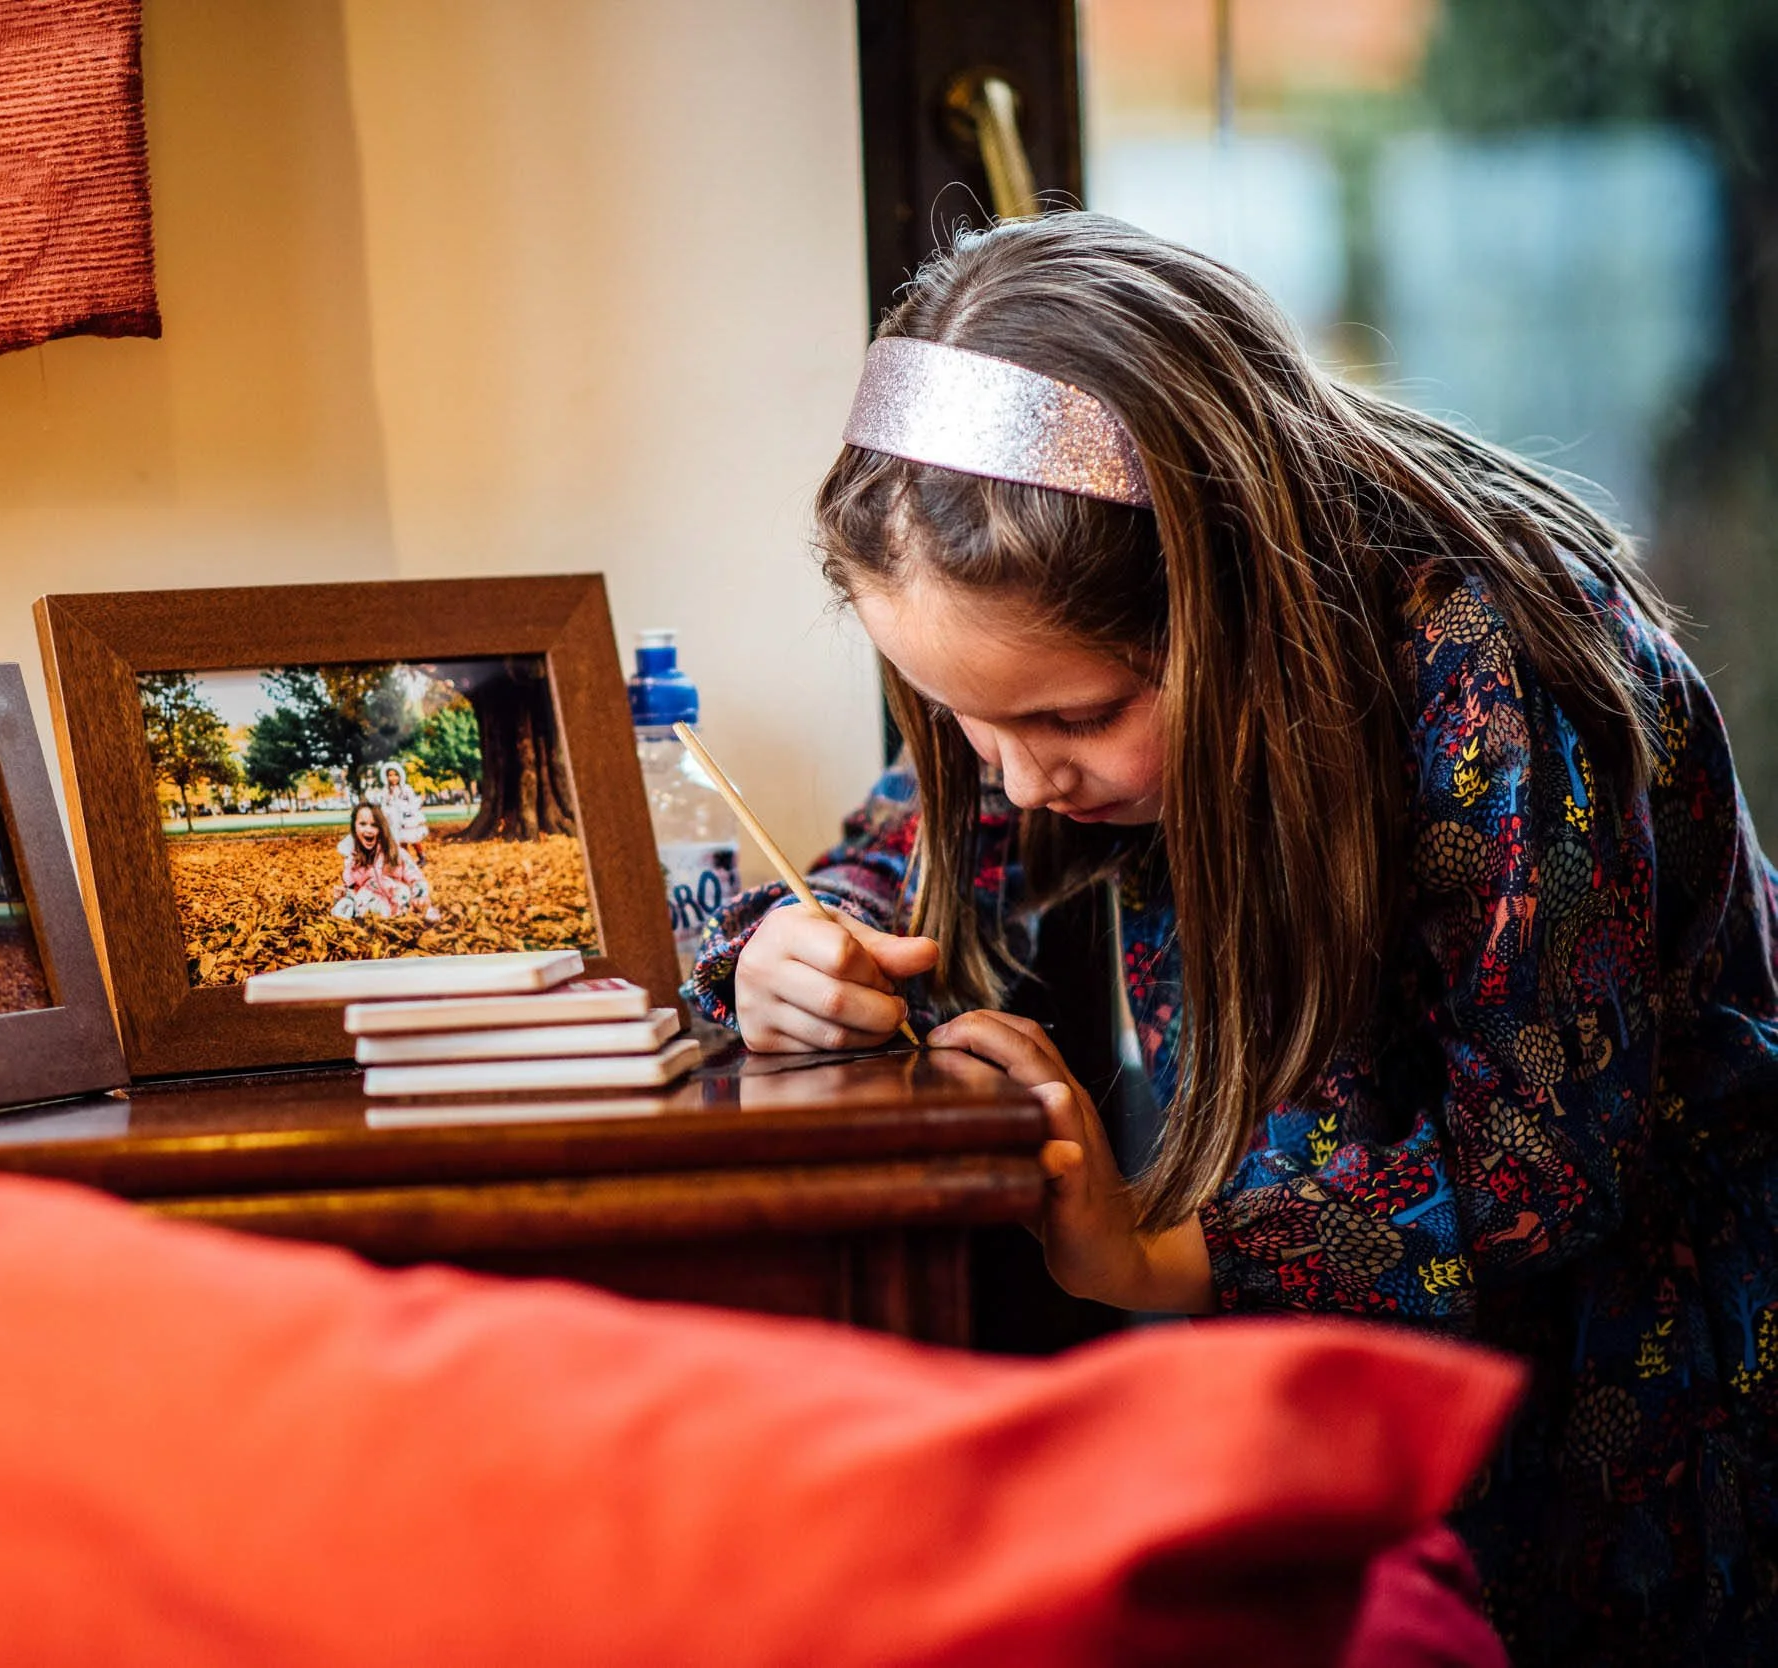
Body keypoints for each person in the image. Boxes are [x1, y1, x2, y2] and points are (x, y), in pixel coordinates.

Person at [690, 213, 1778, 1665]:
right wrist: (796, 950)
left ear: (1228, 603)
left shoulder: (1501, 674)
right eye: (957, 716)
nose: (1014, 779)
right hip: (1351, 1363)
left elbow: (1536, 1177)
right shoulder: (1075, 683)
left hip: (1627, 1399)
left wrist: (1148, 1248)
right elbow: (901, 859)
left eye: (1071, 720)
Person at [330, 802, 437, 921]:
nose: (369, 830)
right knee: (346, 906)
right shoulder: (353, 861)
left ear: (381, 829)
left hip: (401, 905)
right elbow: (352, 889)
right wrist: (341, 896)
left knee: (424, 910)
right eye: (363, 824)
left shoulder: (395, 853)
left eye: (374, 825)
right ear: (354, 827)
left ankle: (421, 915)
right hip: (372, 910)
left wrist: (420, 896)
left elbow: (416, 877)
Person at [379, 763, 431, 860]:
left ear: (400, 775)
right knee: (401, 839)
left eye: (396, 775)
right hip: (394, 818)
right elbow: (384, 804)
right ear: (386, 777)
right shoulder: (385, 790)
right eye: (390, 775)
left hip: (406, 816)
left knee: (413, 837)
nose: (393, 778)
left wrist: (414, 806)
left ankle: (421, 856)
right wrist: (386, 813)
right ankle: (407, 860)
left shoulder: (405, 788)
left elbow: (412, 801)